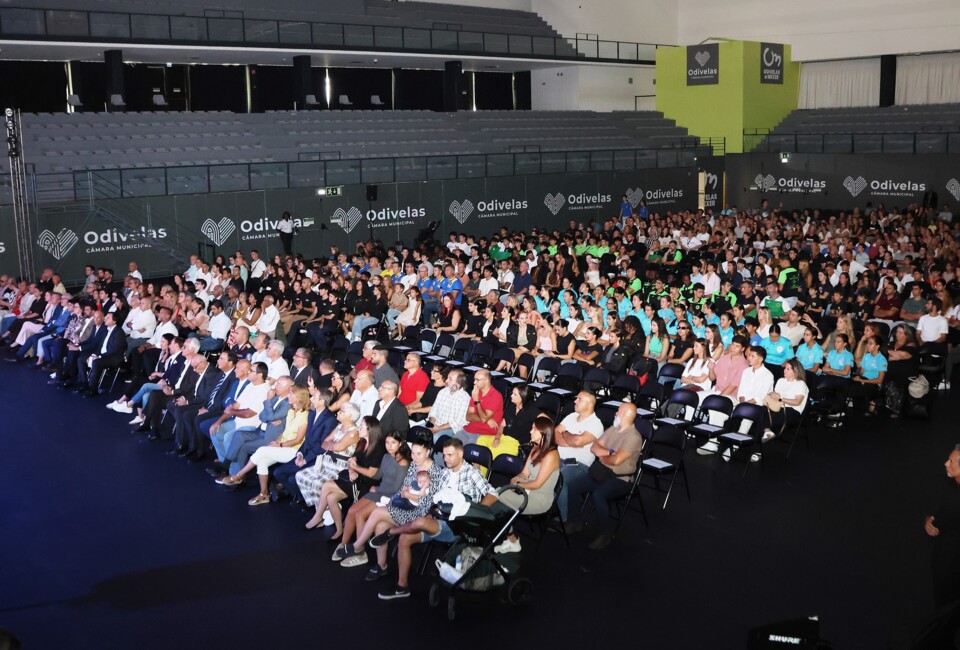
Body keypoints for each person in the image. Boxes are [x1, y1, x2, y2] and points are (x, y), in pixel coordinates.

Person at [563, 402, 644, 550]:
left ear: (626, 415)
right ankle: (574, 522)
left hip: (621, 478)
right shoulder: (614, 428)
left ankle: (604, 533)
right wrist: (610, 452)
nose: (616, 413)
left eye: (618, 411)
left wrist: (603, 455)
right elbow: (594, 447)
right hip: (603, 472)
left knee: (598, 494)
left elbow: (616, 461)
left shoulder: (634, 437)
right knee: (574, 485)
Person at [216, 385, 311, 506]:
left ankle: (238, 475)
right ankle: (264, 494)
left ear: (299, 397)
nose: (289, 395)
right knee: (262, 461)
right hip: (282, 446)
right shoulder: (291, 411)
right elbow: (284, 432)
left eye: (291, 394)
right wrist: (276, 442)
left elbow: (298, 439)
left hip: (294, 450)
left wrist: (280, 445)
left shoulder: (305, 415)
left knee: (261, 450)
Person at [303, 415, 385, 534]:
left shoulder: (378, 448)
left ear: (370, 429)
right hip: (354, 478)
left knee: (327, 485)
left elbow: (372, 473)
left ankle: (318, 516)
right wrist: (351, 470)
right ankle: (339, 530)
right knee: (331, 498)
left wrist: (355, 468)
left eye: (361, 426)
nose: (359, 428)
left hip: (366, 484)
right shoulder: (362, 442)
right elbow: (351, 460)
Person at [494, 415, 561, 554]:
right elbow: (524, 473)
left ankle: (509, 539)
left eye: (534, 429)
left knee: (498, 494)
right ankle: (510, 538)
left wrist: (517, 484)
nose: (530, 432)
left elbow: (537, 484)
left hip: (539, 499)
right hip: (526, 490)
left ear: (544, 434)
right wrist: (516, 479)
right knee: (499, 498)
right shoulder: (535, 448)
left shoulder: (551, 455)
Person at [295, 401, 362, 518]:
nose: (338, 413)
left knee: (316, 483)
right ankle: (322, 509)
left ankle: (320, 514)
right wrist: (332, 444)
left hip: (339, 468)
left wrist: (331, 444)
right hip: (325, 463)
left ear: (349, 415)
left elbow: (339, 447)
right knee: (300, 475)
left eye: (341, 411)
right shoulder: (339, 427)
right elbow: (324, 443)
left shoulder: (354, 432)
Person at [555, 391, 605, 521]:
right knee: (538, 469)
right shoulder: (571, 416)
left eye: (580, 399)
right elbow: (555, 434)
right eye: (576, 398)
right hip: (558, 458)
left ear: (589, 404)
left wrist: (564, 433)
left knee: (560, 479)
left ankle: (562, 519)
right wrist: (572, 440)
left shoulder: (596, 424)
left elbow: (578, 441)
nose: (575, 401)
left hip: (579, 464)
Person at [925, 445, 960, 609]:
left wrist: (931, 521)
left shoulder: (955, 499)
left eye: (951, 461)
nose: (946, 463)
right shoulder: (952, 489)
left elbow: (941, 519)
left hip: (951, 563)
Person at [761, 358, 809, 442]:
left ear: (795, 371)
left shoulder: (800, 384)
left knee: (767, 416)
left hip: (792, 410)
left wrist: (780, 399)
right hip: (777, 406)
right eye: (785, 368)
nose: (784, 370)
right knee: (760, 411)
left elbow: (797, 402)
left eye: (788, 369)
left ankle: (766, 432)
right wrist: (772, 395)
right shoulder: (781, 381)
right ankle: (767, 432)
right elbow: (776, 397)